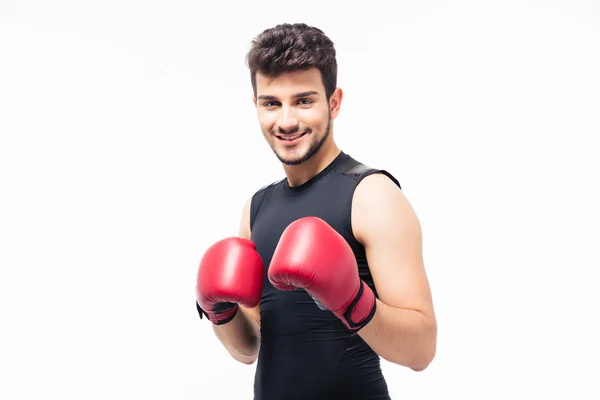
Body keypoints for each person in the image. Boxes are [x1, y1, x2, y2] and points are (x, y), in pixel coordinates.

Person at [195, 23, 437, 399]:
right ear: (256, 105)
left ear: (334, 102)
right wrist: (220, 312)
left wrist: (352, 299)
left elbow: (421, 351)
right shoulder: (257, 208)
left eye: (303, 101)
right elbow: (250, 348)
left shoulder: (371, 195)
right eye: (271, 103)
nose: (286, 121)